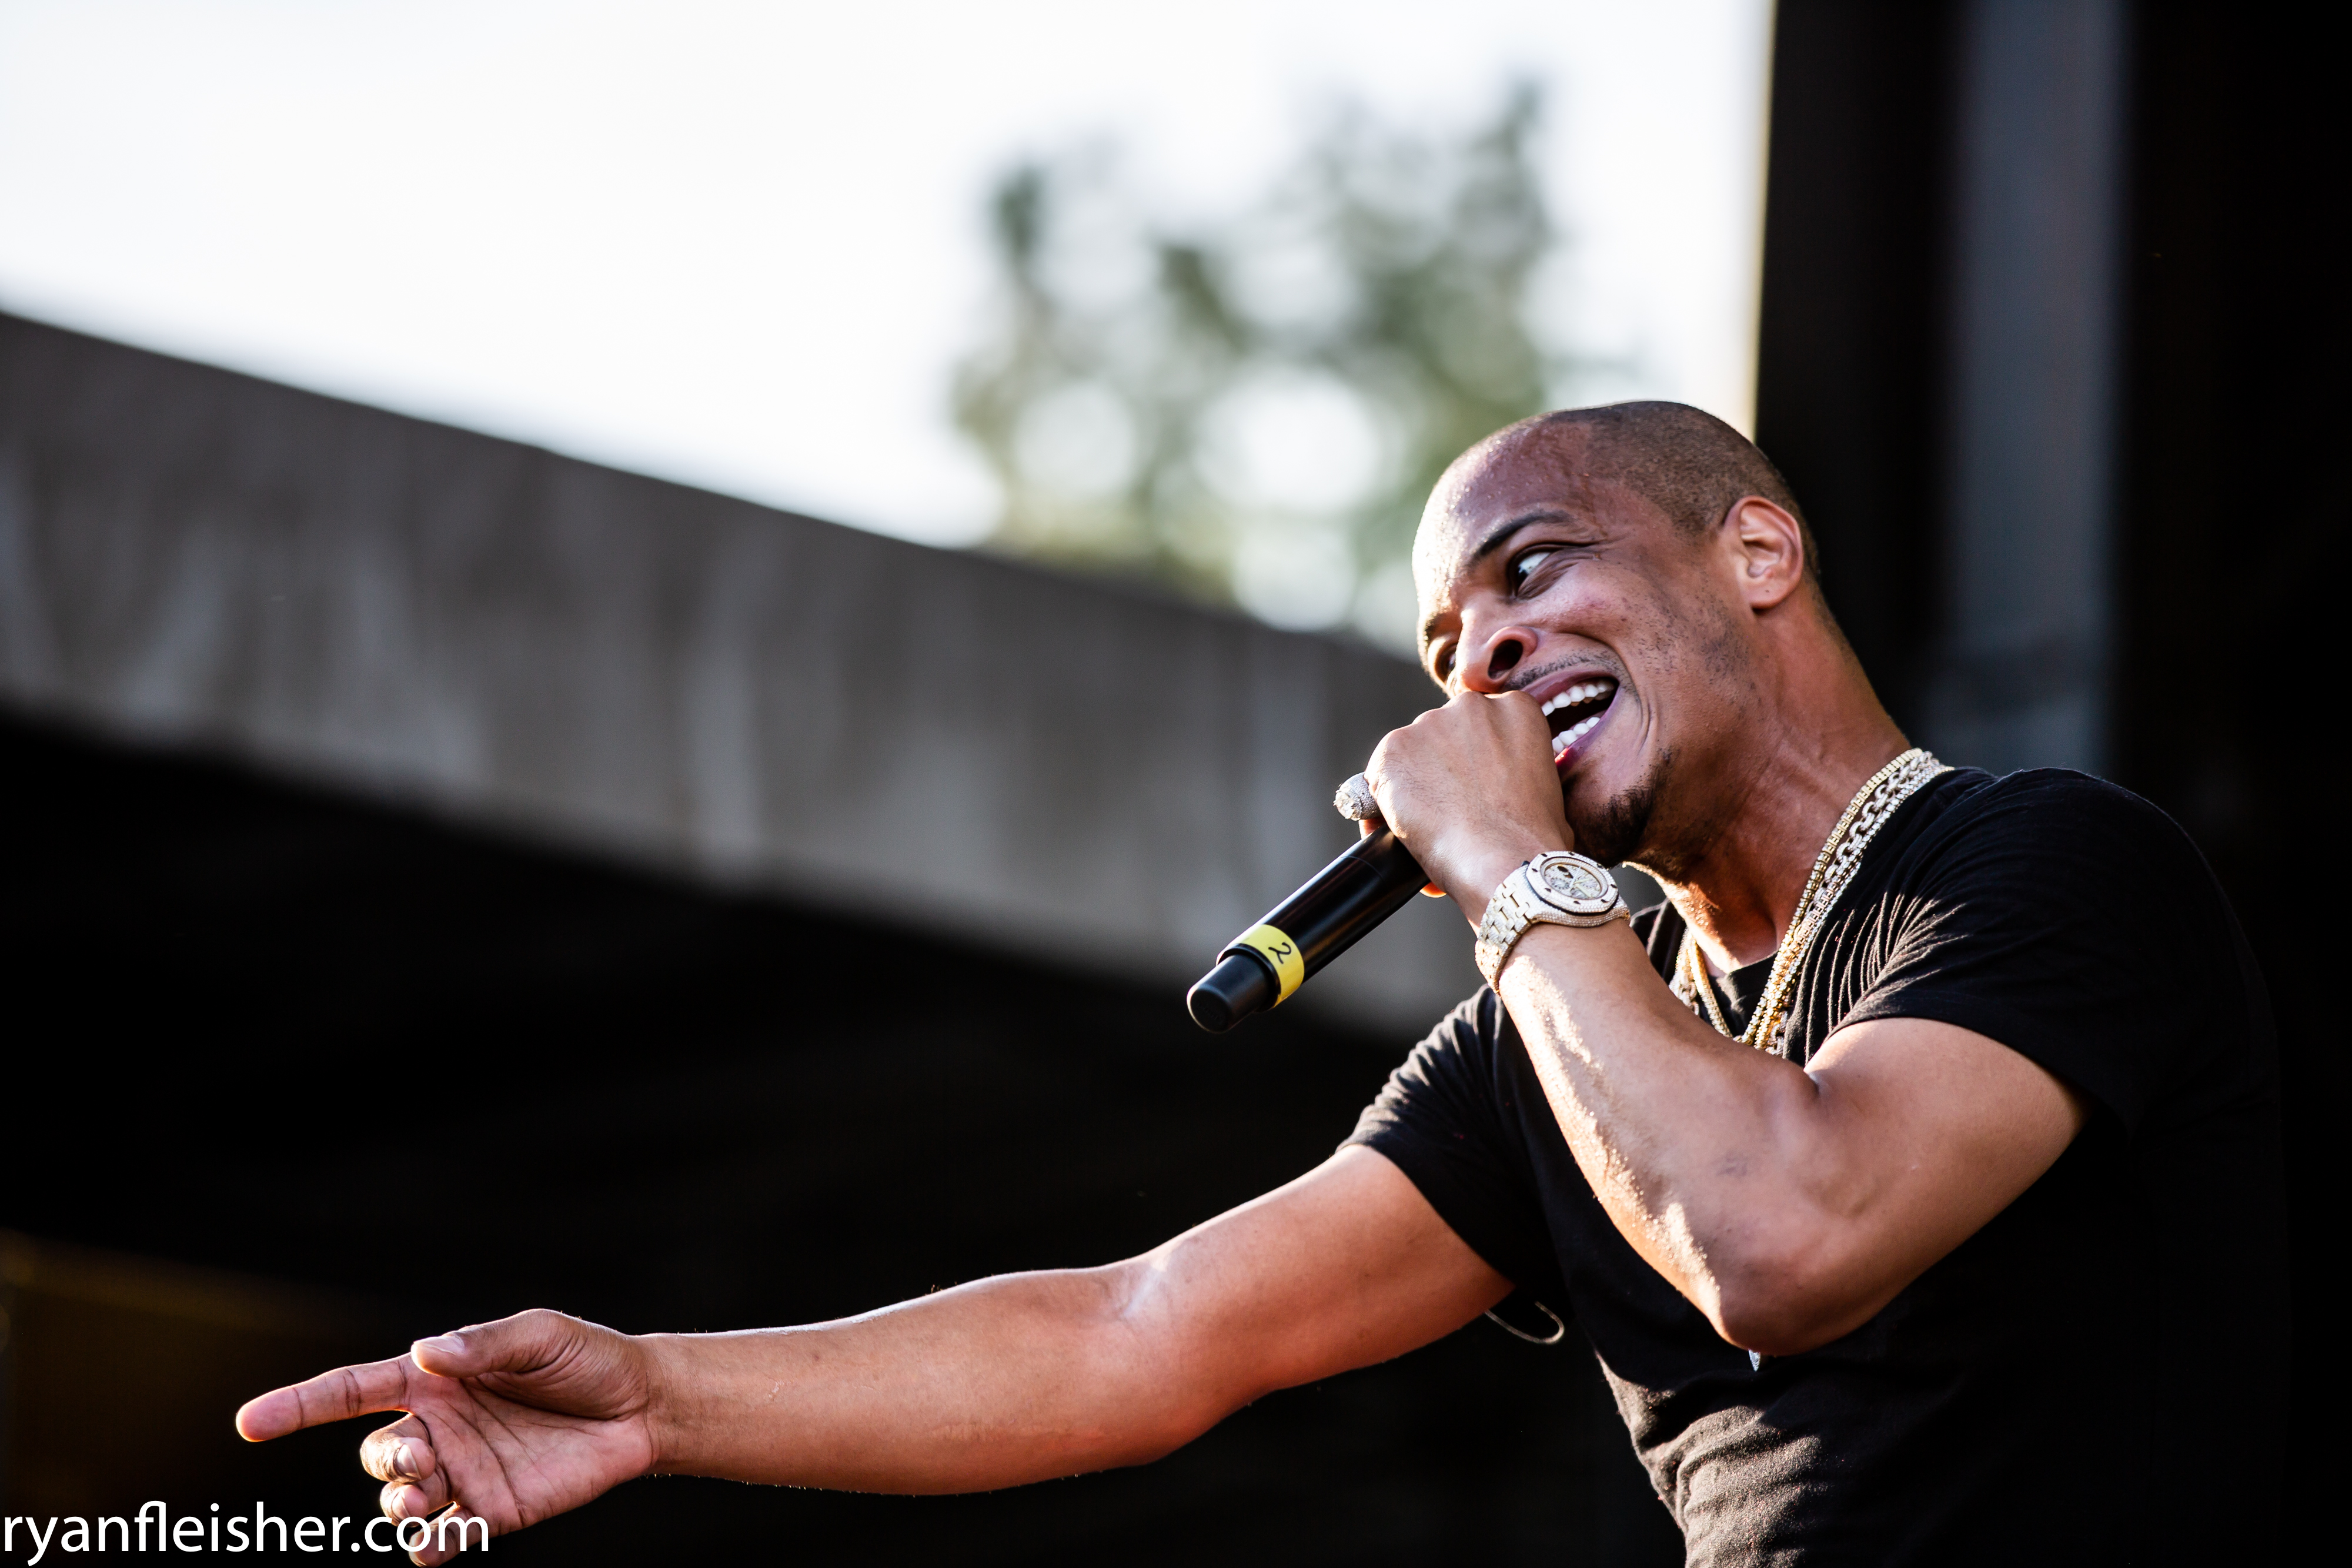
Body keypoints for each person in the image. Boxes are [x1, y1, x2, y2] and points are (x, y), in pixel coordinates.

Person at [238, 404, 2286, 1565]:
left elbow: (1784, 1231)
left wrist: (1512, 875)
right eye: (1443, 644)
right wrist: (665, 1396)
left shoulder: (2045, 864)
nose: (1484, 657)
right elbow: (1140, 1332)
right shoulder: (1559, 1030)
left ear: (1756, 552)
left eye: (1534, 571)